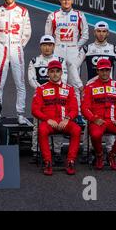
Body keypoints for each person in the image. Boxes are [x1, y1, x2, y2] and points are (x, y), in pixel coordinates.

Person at [70, 20, 116, 154]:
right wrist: (80, 85)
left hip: (110, 88)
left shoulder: (114, 49)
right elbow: (73, 66)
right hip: (91, 88)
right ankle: (87, 150)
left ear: (108, 33)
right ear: (94, 32)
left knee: (110, 116)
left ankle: (110, 150)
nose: (101, 34)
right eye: (98, 31)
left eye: (104, 31)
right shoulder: (87, 48)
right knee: (90, 119)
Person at [0, 0, 32, 124]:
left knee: (20, 83)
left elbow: (27, 32)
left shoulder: (23, 11)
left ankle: (20, 113)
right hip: (1, 49)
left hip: (16, 49)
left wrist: (19, 45)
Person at [45, 0, 89, 123]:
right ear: (60, 0)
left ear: (72, 0)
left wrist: (76, 46)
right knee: (59, 83)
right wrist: (54, 49)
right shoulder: (53, 16)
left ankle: (78, 114)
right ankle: (60, 113)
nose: (66, 1)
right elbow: (48, 36)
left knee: (74, 83)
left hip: (73, 51)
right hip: (58, 51)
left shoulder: (79, 15)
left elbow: (85, 35)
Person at [31, 60, 82, 176]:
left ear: (61, 73)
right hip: (49, 123)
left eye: (57, 71)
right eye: (52, 71)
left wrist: (68, 118)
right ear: (48, 73)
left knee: (77, 130)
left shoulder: (69, 89)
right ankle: (47, 162)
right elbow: (34, 110)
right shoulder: (41, 89)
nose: (55, 74)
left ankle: (70, 161)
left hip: (65, 122)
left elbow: (74, 108)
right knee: (42, 130)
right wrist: (47, 119)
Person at [81, 59, 116, 170]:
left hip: (113, 121)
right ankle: (99, 155)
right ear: (97, 71)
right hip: (97, 121)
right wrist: (93, 119)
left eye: (107, 70)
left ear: (110, 70)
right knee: (95, 135)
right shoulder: (90, 87)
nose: (105, 73)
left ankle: (112, 156)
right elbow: (84, 108)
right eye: (102, 70)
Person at [27, 35, 68, 163]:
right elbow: (31, 79)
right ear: (40, 47)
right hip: (41, 97)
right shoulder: (34, 61)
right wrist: (44, 91)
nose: (47, 48)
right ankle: (36, 151)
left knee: (58, 125)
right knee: (37, 125)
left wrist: (52, 90)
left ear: (53, 46)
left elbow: (64, 78)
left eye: (49, 45)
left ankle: (57, 152)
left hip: (58, 97)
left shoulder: (61, 60)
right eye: (44, 45)